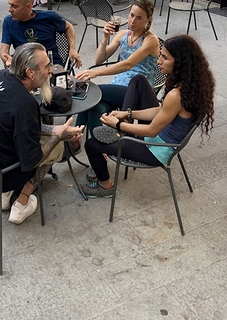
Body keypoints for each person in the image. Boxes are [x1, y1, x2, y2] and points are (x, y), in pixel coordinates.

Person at [82, 35, 215, 198]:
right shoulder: (190, 86)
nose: (159, 61)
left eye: (165, 58)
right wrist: (127, 113)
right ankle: (126, 130)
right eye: (160, 55)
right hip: (162, 135)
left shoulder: (176, 95)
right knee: (138, 80)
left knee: (91, 145)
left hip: (156, 149)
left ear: (180, 63)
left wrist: (117, 124)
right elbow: (160, 111)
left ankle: (105, 185)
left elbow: (151, 131)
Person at [0, 42, 84, 224]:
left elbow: (15, 126)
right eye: (46, 66)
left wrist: (54, 129)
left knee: (44, 139)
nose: (50, 70)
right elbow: (32, 158)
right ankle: (21, 203)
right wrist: (58, 136)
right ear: (30, 73)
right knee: (57, 147)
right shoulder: (24, 103)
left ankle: (5, 195)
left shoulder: (1, 76)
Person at [75, 0, 159, 134]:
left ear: (148, 20)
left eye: (139, 18)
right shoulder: (122, 34)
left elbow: (128, 64)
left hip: (137, 91)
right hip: (117, 86)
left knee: (91, 92)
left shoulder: (150, 40)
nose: (132, 21)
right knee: (96, 107)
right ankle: (97, 146)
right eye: (131, 15)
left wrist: (96, 73)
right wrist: (105, 37)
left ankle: (75, 135)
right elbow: (99, 60)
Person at [0, 0, 82, 69]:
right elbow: (4, 49)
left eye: (14, 6)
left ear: (28, 7)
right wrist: (7, 58)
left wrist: (73, 49)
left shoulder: (49, 17)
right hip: (25, 66)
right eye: (9, 5)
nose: (9, 10)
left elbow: (68, 27)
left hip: (50, 64)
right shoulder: (9, 22)